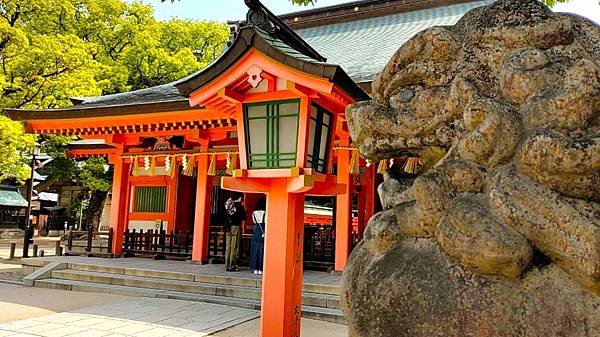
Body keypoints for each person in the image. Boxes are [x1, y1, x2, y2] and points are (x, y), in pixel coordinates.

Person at [224, 194, 245, 272]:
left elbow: (225, 217)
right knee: (234, 247)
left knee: (228, 247)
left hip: (228, 227)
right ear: (239, 198)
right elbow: (243, 217)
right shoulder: (239, 206)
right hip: (236, 227)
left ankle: (226, 265)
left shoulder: (227, 205)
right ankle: (232, 265)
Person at [250, 197, 266, 275]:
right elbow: (266, 222)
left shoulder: (254, 213)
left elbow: (254, 221)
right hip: (262, 231)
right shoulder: (265, 213)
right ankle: (260, 268)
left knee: (255, 249)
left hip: (256, 230)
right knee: (261, 250)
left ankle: (255, 268)